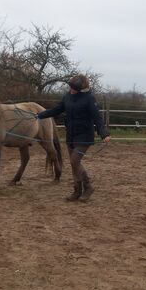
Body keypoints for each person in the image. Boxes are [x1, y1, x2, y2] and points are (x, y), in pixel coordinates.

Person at [37, 74, 111, 202]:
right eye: (70, 87)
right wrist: (39, 115)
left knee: (74, 161)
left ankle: (88, 188)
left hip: (84, 136)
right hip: (71, 135)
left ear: (81, 88)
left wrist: (104, 133)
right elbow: (56, 110)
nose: (71, 90)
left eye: (74, 88)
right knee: (74, 164)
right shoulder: (67, 97)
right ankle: (77, 191)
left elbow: (97, 118)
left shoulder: (89, 99)